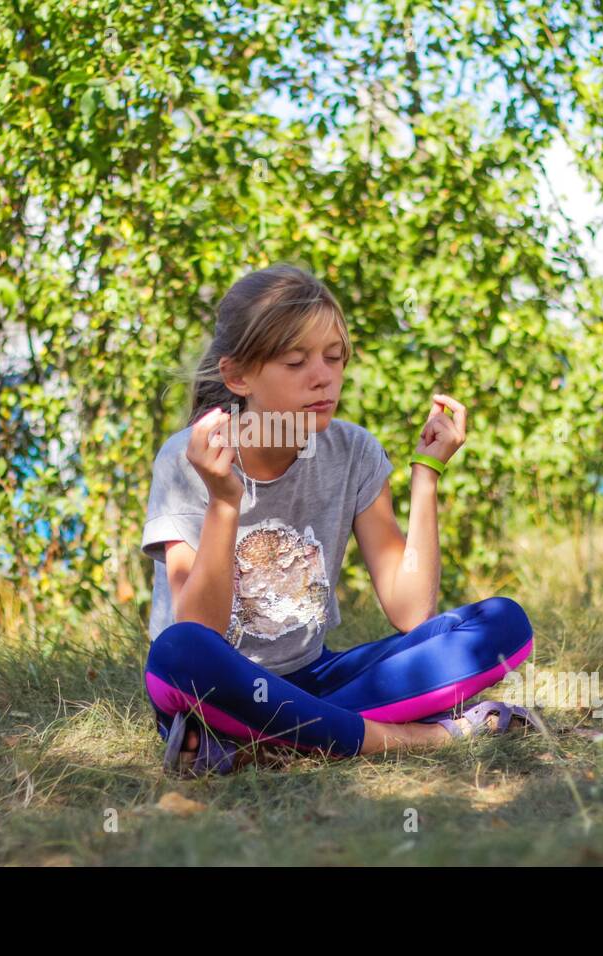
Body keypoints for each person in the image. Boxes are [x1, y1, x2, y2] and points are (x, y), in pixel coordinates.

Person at [141, 263, 539, 776]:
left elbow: (411, 610)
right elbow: (200, 629)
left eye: (334, 358)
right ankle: (427, 736)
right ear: (239, 376)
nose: (323, 376)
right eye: (295, 361)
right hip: (216, 684)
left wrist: (427, 476)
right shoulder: (189, 459)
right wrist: (223, 501)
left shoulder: (353, 451)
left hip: (318, 678)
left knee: (503, 625)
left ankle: (263, 739)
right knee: (180, 652)